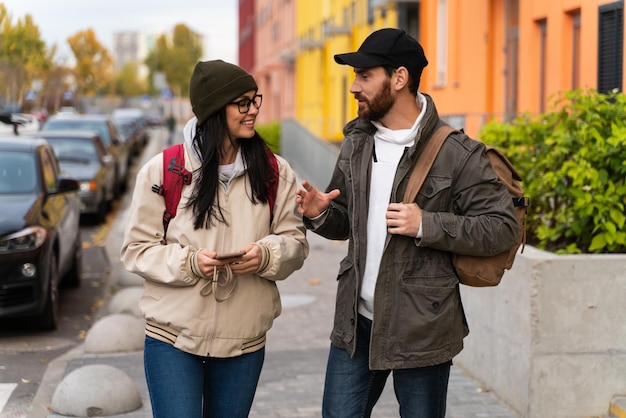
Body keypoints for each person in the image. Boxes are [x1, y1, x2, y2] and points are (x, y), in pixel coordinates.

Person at [295, 28, 518, 417]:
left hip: (423, 328)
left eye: (364, 76)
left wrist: (427, 224)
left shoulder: (457, 153)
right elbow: (345, 222)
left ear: (399, 78)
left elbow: (501, 228)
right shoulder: (356, 142)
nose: (354, 87)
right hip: (357, 323)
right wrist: (320, 213)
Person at [121, 59, 309, 418]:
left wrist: (267, 256)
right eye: (243, 103)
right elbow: (136, 250)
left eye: (256, 100)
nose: (253, 110)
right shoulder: (165, 170)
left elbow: (296, 243)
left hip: (244, 340)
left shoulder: (275, 172)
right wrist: (190, 262)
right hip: (172, 338)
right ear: (214, 110)